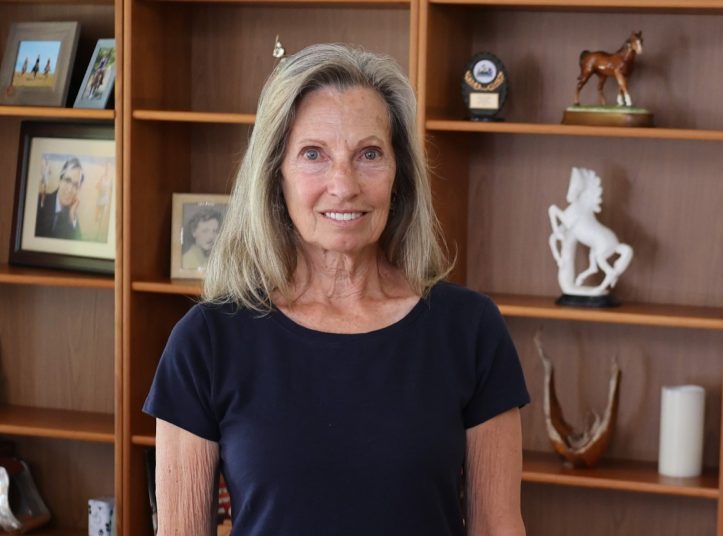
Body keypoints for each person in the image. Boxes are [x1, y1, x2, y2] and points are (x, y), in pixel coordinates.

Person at [143, 43, 529, 535]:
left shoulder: (471, 330)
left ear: (399, 175)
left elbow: (499, 527)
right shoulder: (206, 341)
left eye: (369, 154)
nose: (343, 185)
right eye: (313, 155)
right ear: (274, 174)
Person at [35, 157, 84, 240]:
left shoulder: (72, 215)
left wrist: (72, 217)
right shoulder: (40, 202)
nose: (70, 189)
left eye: (75, 185)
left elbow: (80, 243)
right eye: (67, 180)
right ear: (60, 181)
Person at [180, 206, 223, 271]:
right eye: (205, 231)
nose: (211, 236)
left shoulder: (219, 260)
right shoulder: (185, 261)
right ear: (193, 232)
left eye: (215, 231)